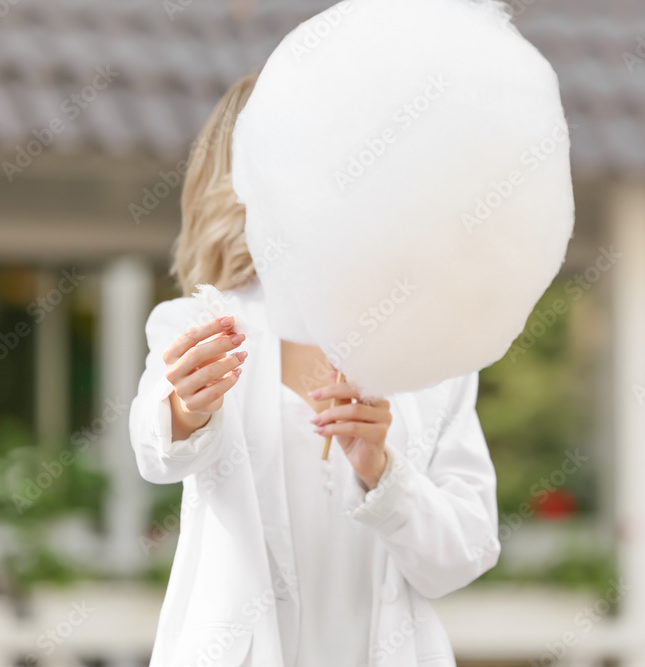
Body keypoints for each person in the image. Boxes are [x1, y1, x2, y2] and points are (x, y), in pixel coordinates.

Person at [128, 72, 501, 667]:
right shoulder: (196, 324)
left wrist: (381, 471)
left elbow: (464, 554)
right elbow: (155, 451)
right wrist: (187, 408)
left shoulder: (431, 354)